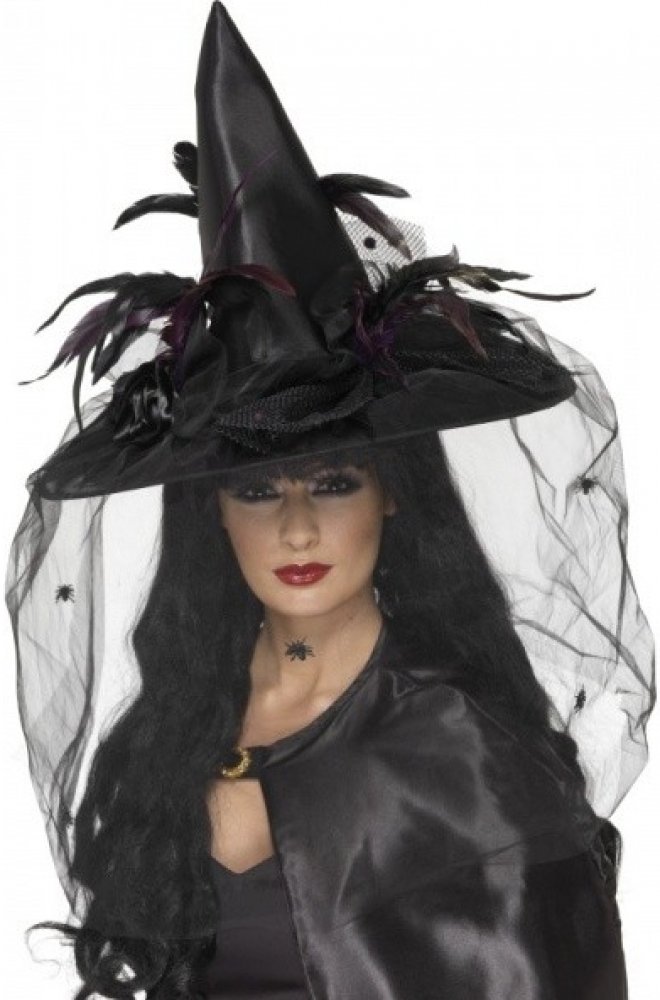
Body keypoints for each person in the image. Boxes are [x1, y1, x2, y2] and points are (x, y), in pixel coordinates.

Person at [4, 4, 654, 999]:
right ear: (212, 512)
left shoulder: (471, 756)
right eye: (257, 489)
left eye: (335, 482)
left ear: (392, 494)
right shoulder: (170, 736)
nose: (298, 526)